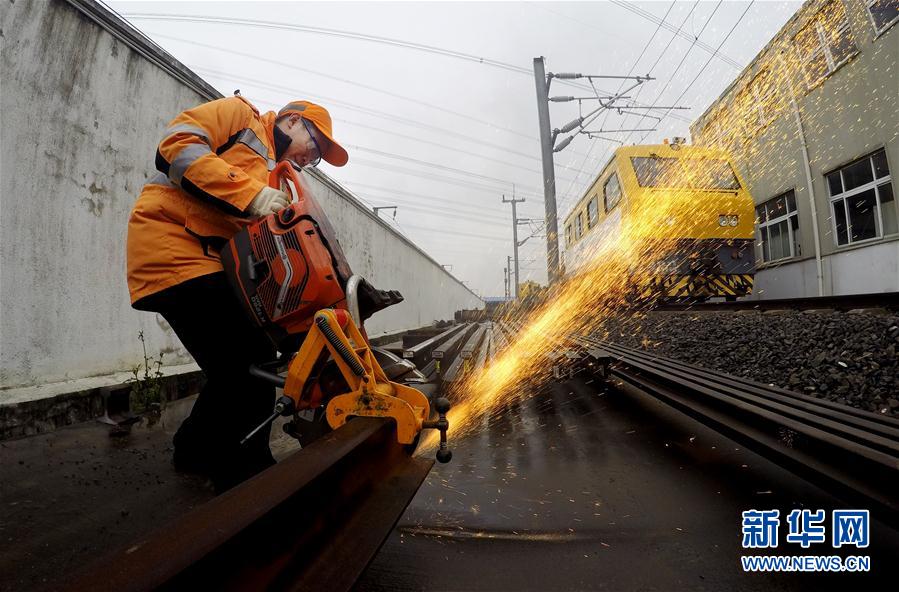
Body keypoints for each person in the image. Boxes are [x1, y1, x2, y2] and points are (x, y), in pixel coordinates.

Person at [126, 94, 348, 491]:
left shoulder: (273, 173)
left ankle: (193, 449)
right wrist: (252, 194)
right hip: (173, 247)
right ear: (294, 121)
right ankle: (245, 477)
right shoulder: (238, 115)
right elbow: (177, 148)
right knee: (248, 362)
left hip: (205, 258)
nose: (310, 159)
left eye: (316, 159)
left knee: (231, 365)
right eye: (314, 147)